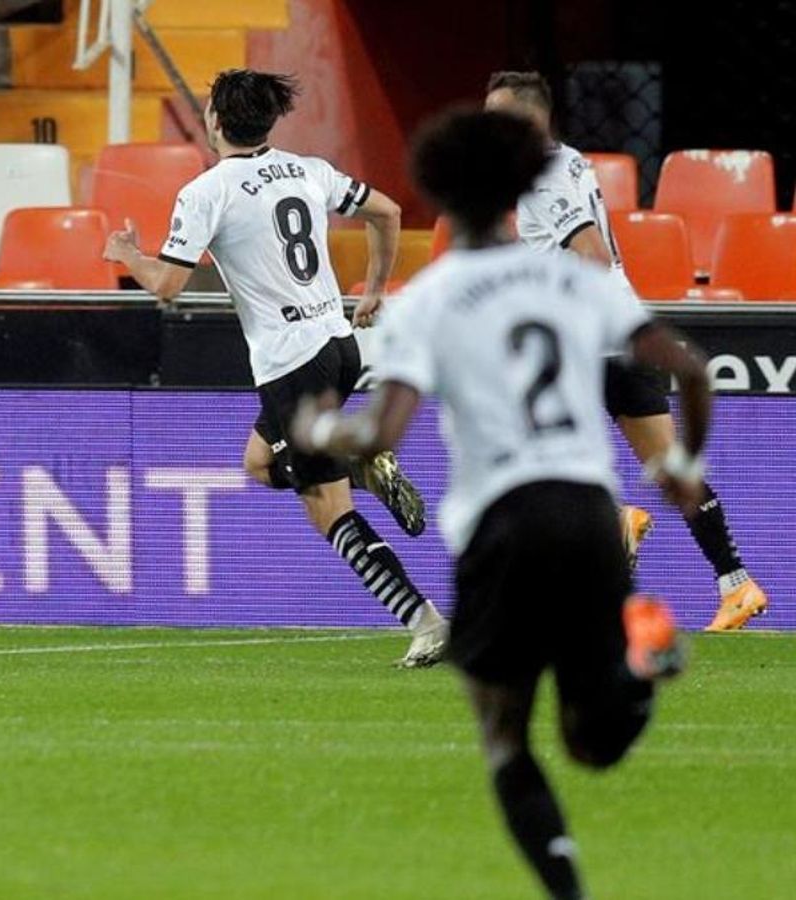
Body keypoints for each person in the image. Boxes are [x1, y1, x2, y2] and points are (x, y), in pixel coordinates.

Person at [293, 108, 699, 900]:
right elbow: (687, 364)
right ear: (521, 188)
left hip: (500, 527)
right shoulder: (571, 279)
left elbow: (382, 431)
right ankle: (644, 659)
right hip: (587, 512)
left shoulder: (432, 297)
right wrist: (680, 465)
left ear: (438, 195)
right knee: (595, 742)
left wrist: (318, 426)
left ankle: (568, 891)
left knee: (506, 741)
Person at [103, 69, 448, 667]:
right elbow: (387, 212)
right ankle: (365, 468)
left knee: (328, 512)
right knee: (259, 463)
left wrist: (127, 254)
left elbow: (167, 287)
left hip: (293, 364)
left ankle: (426, 622)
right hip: (337, 345)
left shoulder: (208, 191)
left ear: (215, 120)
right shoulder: (306, 169)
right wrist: (370, 289)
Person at [484, 71, 766, 631]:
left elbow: (588, 255)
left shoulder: (541, 177)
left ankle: (610, 528)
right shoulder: (565, 159)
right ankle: (737, 583)